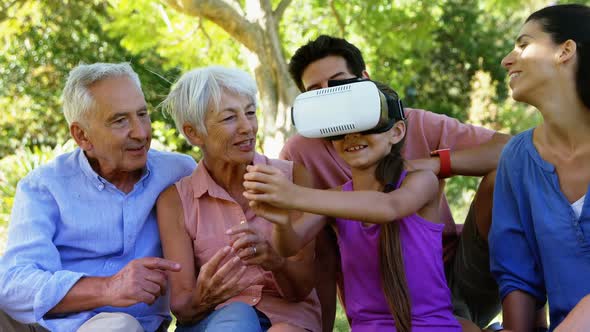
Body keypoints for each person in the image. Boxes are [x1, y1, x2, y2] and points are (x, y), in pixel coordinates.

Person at [282, 35, 511, 330]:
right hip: (378, 298)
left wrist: (432, 164)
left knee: (508, 177)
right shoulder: (300, 151)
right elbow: (300, 244)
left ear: (365, 79)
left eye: (338, 83)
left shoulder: (405, 121)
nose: (330, 96)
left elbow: (513, 150)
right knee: (320, 236)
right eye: (316, 92)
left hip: (451, 273)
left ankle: (523, 318)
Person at [235, 80, 463, 332]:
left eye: (367, 125)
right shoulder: (334, 198)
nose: (352, 136)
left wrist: (293, 195)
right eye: (342, 128)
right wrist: (280, 221)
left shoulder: (421, 181)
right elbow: (288, 246)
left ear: (396, 132)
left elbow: (389, 207)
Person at [0, 62, 196, 332]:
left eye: (142, 114)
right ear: (82, 136)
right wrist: (108, 288)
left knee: (119, 326)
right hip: (47, 326)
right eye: (120, 120)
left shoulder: (180, 173)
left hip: (125, 327)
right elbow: (13, 283)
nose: (141, 132)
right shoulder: (44, 187)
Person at [157, 66, 321, 332]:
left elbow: (301, 289)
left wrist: (274, 261)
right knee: (238, 318)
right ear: (193, 133)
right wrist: (204, 295)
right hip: (215, 321)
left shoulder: (293, 179)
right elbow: (182, 305)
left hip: (286, 317)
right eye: (229, 118)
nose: (248, 127)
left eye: (250, 112)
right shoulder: (175, 200)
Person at [489, 4, 590, 331]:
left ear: (565, 50)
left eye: (523, 44)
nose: (507, 59)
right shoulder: (517, 159)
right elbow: (517, 274)